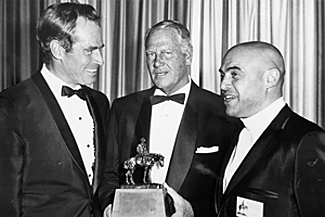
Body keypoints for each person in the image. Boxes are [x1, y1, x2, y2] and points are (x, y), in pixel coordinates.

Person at [103, 20, 240, 217]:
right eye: (151, 54)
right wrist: (110, 206)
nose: (157, 62)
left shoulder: (222, 112)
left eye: (166, 53)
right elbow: (109, 176)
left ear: (187, 55)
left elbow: (229, 192)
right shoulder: (123, 108)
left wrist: (193, 213)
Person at [0, 3, 118, 217]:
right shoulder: (11, 106)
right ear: (57, 50)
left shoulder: (100, 102)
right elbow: (7, 203)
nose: (100, 60)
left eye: (100, 48)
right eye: (90, 50)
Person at [215, 41, 325, 217]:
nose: (222, 85)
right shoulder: (233, 133)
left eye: (234, 74)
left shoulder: (306, 140)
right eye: (222, 75)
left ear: (270, 79)